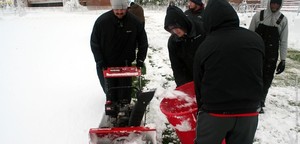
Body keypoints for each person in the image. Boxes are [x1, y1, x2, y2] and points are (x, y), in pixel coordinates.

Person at [193, 0, 264, 143]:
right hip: (249, 112)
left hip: (215, 113)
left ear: (209, 20)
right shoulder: (256, 39)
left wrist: (202, 108)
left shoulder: (206, 45)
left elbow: (198, 82)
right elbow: (260, 72)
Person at [90, 0, 148, 115]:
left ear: (127, 8)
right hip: (106, 64)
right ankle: (112, 111)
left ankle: (125, 111)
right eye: (116, 9)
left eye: (122, 9)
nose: (119, 12)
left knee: (125, 92)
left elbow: (143, 42)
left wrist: (140, 59)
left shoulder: (134, 21)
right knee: (110, 92)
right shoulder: (102, 22)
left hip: (125, 64)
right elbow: (94, 43)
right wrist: (100, 61)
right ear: (112, 8)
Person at [249, 0, 288, 113]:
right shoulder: (258, 16)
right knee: (254, 76)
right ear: (269, 3)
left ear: (280, 5)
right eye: (273, 3)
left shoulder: (283, 20)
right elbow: (249, 35)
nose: (275, 5)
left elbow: (284, 41)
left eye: (277, 3)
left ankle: (261, 100)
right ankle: (252, 99)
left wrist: (283, 60)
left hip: (271, 54)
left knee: (267, 77)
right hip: (256, 52)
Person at [164, 5, 205, 87]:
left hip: (207, 76)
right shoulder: (173, 42)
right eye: (171, 29)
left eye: (176, 27)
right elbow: (177, 68)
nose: (175, 31)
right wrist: (183, 87)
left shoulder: (202, 30)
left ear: (182, 22)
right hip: (189, 77)